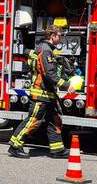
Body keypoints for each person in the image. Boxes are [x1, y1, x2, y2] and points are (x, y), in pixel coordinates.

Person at [8, 25, 68, 159]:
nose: (61, 38)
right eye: (59, 35)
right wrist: (66, 85)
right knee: (33, 121)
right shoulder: (46, 51)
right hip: (41, 94)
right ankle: (15, 146)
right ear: (52, 36)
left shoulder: (45, 49)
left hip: (48, 94)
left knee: (55, 121)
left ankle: (57, 149)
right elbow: (49, 74)